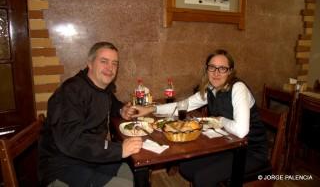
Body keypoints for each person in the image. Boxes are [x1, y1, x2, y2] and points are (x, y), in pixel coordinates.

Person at [133, 49, 268, 187]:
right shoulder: (211, 88)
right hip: (227, 145)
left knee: (203, 178)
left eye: (222, 68)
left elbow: (241, 131)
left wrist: (220, 120)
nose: (216, 73)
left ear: (230, 71)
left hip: (250, 152)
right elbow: (184, 104)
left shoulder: (238, 88)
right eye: (212, 67)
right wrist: (151, 109)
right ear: (206, 69)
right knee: (186, 166)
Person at [38, 42, 142, 187]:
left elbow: (110, 100)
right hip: (63, 166)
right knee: (125, 183)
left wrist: (121, 109)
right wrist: (119, 149)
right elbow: (71, 141)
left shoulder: (101, 87)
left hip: (88, 157)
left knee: (131, 170)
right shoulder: (71, 92)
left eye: (114, 64)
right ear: (90, 63)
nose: (110, 68)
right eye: (104, 61)